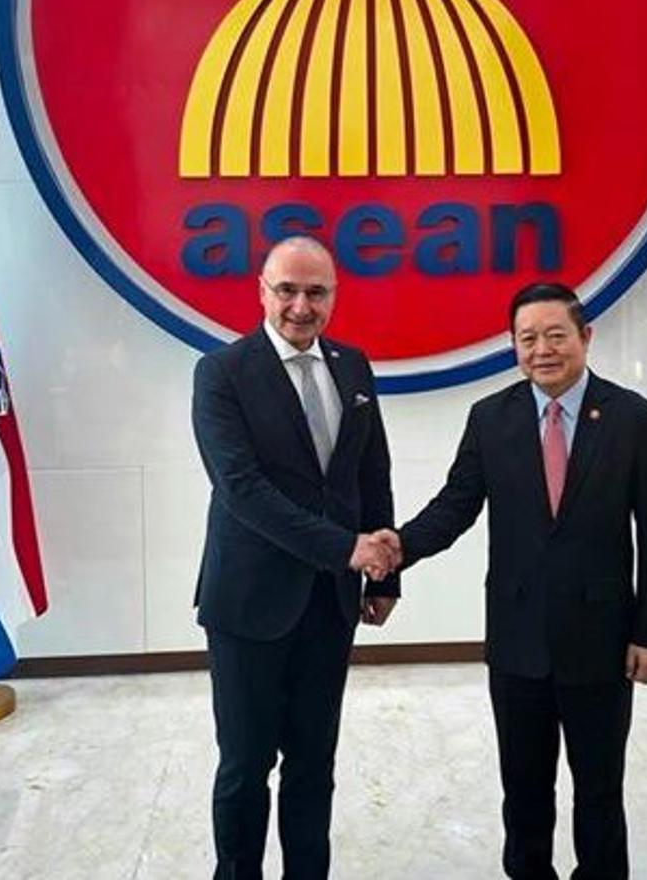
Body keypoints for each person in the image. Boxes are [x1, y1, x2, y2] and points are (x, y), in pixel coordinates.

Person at [395, 281, 647, 879]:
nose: (542, 350)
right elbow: (455, 506)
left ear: (585, 336)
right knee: (523, 793)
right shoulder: (489, 419)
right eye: (528, 339)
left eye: (555, 335)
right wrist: (397, 549)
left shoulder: (633, 419)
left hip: (601, 641)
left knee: (600, 792)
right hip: (517, 639)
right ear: (514, 346)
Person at [191, 235, 402, 880]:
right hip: (248, 604)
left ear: (334, 296)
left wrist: (385, 579)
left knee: (314, 764)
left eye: (316, 292)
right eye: (287, 290)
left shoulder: (353, 366)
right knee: (245, 765)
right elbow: (242, 491)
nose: (301, 306)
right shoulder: (221, 373)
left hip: (330, 605)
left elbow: (371, 472)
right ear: (262, 291)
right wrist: (347, 549)